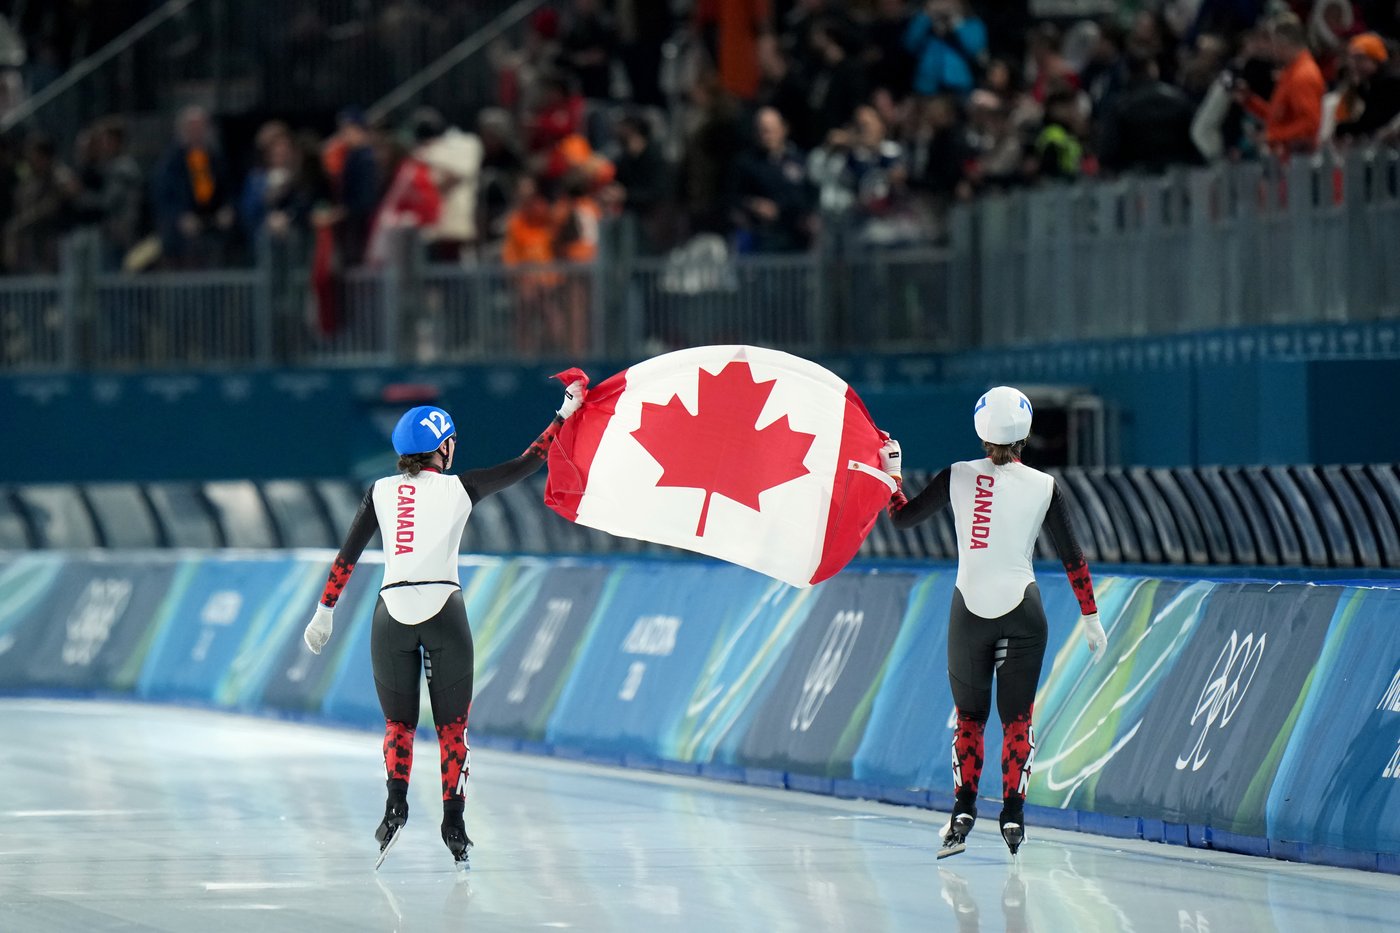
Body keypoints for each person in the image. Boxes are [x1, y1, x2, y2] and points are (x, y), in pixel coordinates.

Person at [302, 379, 588, 868]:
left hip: (390, 614)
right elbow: (530, 461)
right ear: (443, 447)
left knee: (399, 725)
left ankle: (395, 807)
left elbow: (347, 557)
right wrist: (566, 410)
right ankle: (454, 825)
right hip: (444, 613)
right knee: (453, 728)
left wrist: (324, 611)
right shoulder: (461, 488)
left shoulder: (380, 491)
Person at [880, 386, 1107, 858]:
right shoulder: (1045, 486)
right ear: (1026, 431)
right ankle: (1013, 816)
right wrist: (1090, 617)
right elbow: (1073, 557)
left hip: (970, 613)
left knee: (970, 720)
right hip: (1026, 613)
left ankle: (963, 810)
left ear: (980, 429)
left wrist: (892, 473)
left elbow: (901, 519)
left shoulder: (958, 475)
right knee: (1017, 722)